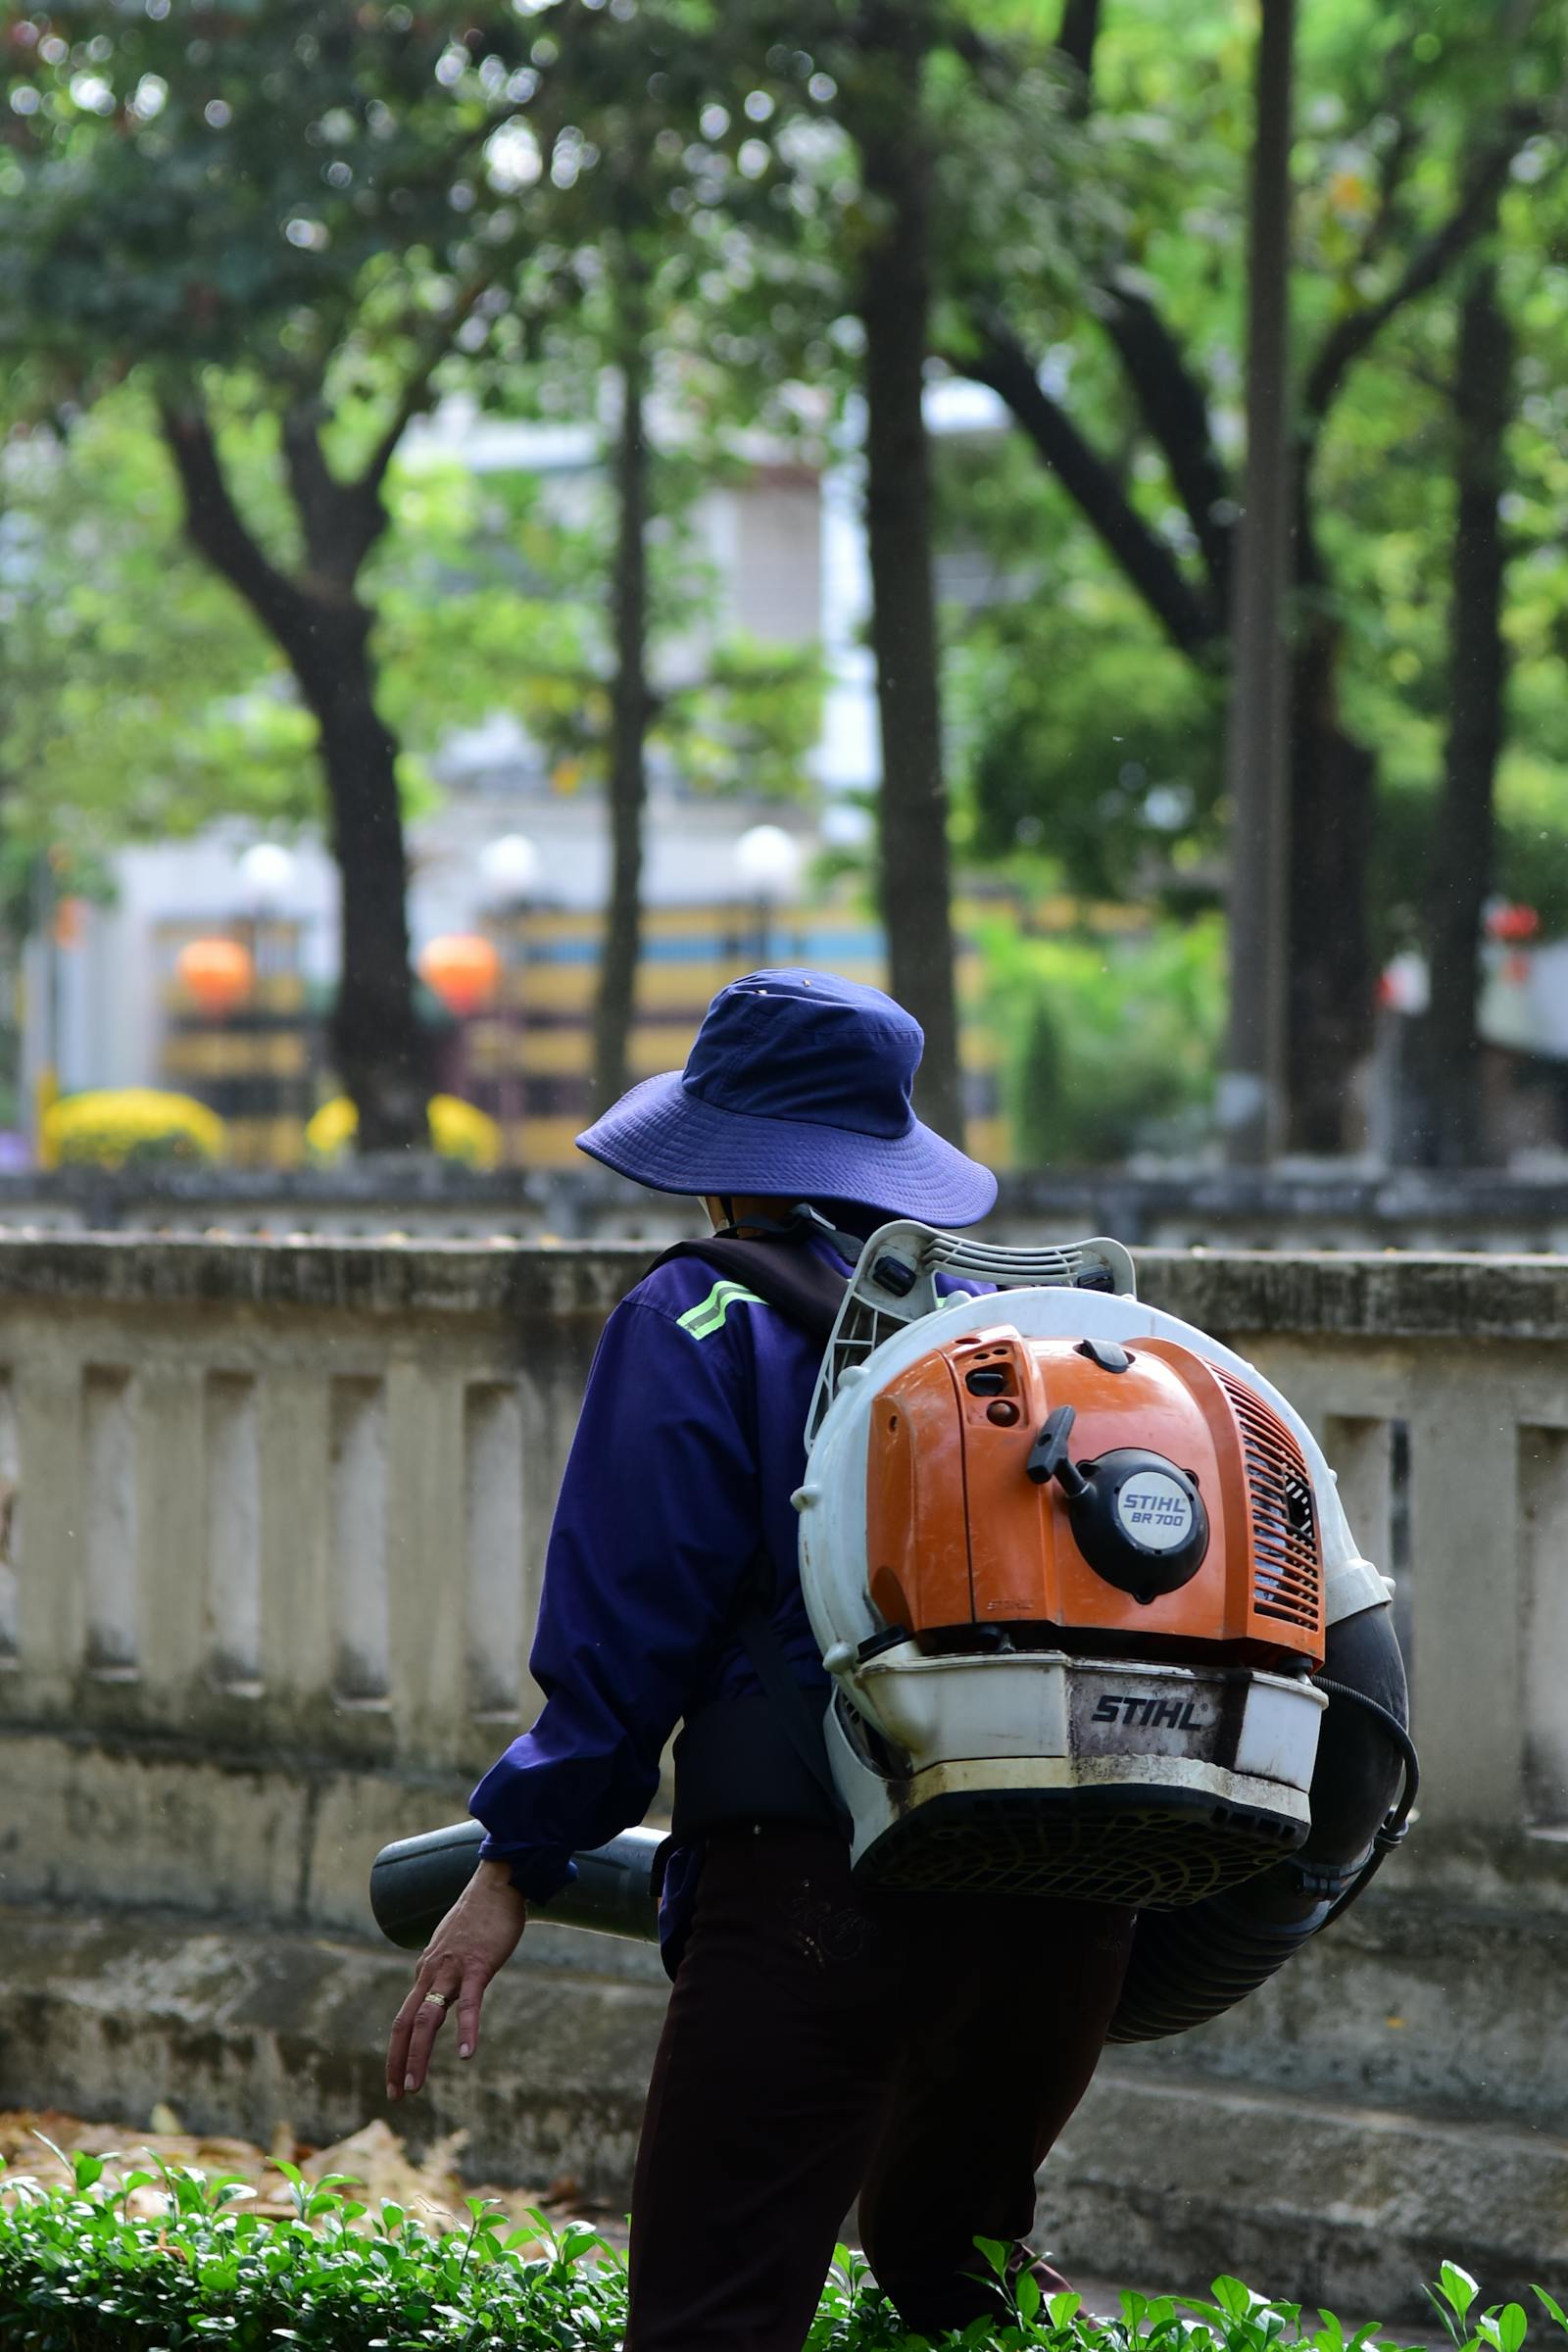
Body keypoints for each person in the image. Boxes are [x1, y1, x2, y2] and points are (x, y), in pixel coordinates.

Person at [385, 968, 1134, 2351]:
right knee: (957, 2292)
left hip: (818, 1888)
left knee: (714, 2315)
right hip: (1060, 1903)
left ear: (720, 1161)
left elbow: (626, 1649)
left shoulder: (695, 1317)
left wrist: (510, 1870)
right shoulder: (1015, 1332)